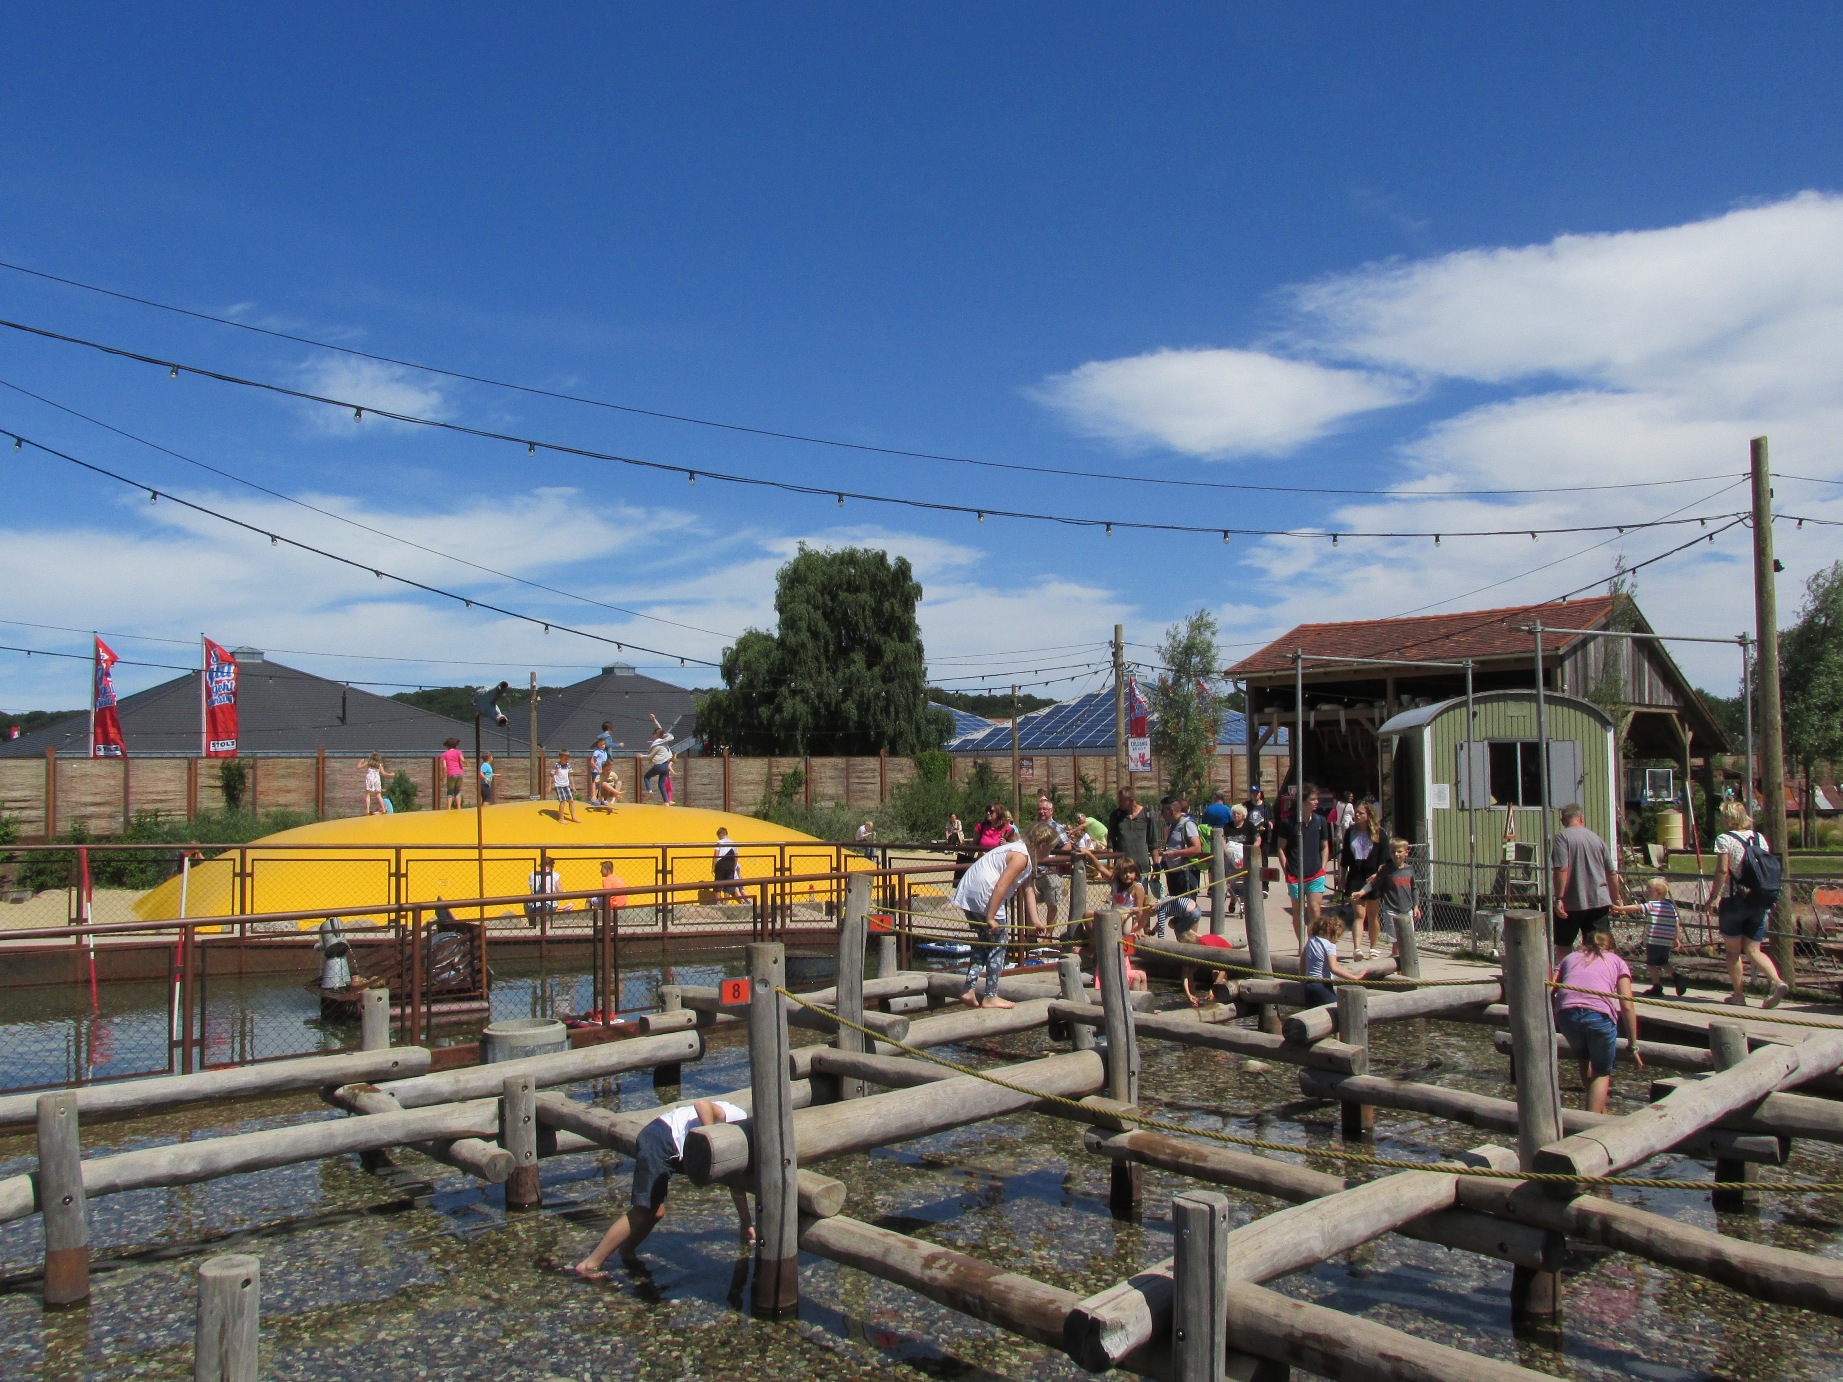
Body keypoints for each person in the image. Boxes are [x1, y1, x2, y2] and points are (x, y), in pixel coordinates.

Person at [570, 1099, 753, 1278]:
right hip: (660, 1138)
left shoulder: (739, 1139)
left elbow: (734, 1181)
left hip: (662, 1137)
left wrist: (746, 1222)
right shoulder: (736, 1116)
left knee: (657, 1212)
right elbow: (702, 1105)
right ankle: (590, 1264)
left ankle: (626, 1251)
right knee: (644, 1210)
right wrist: (709, 1141)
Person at [952, 826, 1055, 1009]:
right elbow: (1001, 885)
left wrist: (1036, 921)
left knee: (985, 941)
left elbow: (1028, 889)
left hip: (970, 891)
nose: (1050, 852)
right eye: (1050, 848)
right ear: (1042, 846)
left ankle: (968, 989)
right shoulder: (1021, 856)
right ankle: (990, 995)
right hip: (985, 894)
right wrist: (991, 917)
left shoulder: (1022, 852)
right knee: (1000, 943)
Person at [1709, 800, 1789, 1007]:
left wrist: (1714, 897)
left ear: (1727, 818)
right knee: (1754, 950)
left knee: (1733, 951)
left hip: (1734, 898)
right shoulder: (1760, 838)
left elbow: (1722, 870)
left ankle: (1738, 994)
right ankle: (1777, 981)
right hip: (1757, 899)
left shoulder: (1724, 839)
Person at [1554, 927, 1642, 1113]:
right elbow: (1627, 1005)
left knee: (1584, 1058)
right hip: (1598, 1016)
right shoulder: (1617, 961)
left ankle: (1601, 1110)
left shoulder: (1569, 958)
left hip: (1567, 1014)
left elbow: (1550, 987)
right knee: (1602, 1071)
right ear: (1612, 948)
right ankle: (1592, 1122)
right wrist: (1633, 1046)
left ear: (1585, 945)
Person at [1550, 804, 1622, 968]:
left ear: (1563, 820)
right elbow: (1611, 873)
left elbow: (1561, 869)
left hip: (1571, 902)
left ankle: (1568, 974)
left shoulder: (1562, 837)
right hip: (1599, 901)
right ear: (1581, 818)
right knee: (1599, 945)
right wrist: (1615, 898)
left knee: (1564, 943)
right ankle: (1599, 974)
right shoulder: (1597, 839)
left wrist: (1559, 898)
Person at [1614, 876, 1687, 998]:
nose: (1646, 891)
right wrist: (1676, 938)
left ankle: (1657, 986)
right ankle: (1677, 977)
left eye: (1650, 889)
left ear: (1659, 893)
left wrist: (1620, 908)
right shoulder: (1670, 907)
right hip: (1666, 940)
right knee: (1663, 961)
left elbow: (1637, 907)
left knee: (1651, 963)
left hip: (1654, 939)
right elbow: (1676, 923)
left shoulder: (1652, 905)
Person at [1351, 837, 1419, 964]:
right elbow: (1373, 884)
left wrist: (1416, 906)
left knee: (1407, 935)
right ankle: (1397, 955)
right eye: (1393, 852)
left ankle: (1402, 958)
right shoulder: (1386, 870)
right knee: (1394, 936)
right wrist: (1361, 892)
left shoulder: (1409, 869)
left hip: (1407, 909)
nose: (1396, 854)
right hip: (1391, 908)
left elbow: (1414, 888)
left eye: (1399, 851)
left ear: (1406, 852)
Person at [1279, 784, 1333, 941]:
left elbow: (1325, 846)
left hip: (1315, 873)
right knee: (1297, 912)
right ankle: (1301, 944)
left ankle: (1314, 943)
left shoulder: (1320, 821)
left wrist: (1323, 868)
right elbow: (1281, 848)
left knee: (1315, 909)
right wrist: (1286, 870)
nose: (1317, 802)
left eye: (1317, 799)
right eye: (1313, 799)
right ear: (1302, 801)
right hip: (1295, 873)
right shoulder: (1288, 822)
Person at [1167, 903, 1235, 1006]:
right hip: (1205, 954)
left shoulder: (1208, 947)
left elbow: (1223, 967)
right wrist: (1188, 995)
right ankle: (1194, 999)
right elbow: (1185, 976)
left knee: (1216, 973)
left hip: (1225, 953)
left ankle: (1222, 1000)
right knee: (1190, 971)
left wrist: (1214, 989)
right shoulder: (1188, 950)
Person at [1340, 803, 1385, 957]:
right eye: (1356, 813)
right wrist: (1342, 878)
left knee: (1373, 914)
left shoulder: (1379, 833)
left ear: (1368, 815)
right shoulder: (1350, 832)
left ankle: (1373, 947)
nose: (1357, 815)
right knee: (1359, 914)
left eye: (1361, 813)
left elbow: (1384, 859)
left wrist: (1378, 875)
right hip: (1355, 876)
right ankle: (1357, 949)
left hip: (1372, 877)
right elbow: (1345, 858)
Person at [1301, 912, 1365, 1008]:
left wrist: (1302, 980)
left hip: (1309, 985)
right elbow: (1334, 968)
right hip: (1322, 985)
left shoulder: (1311, 940)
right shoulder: (1329, 945)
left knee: (1312, 1011)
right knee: (1337, 1009)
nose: (1337, 940)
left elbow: (1302, 963)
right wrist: (1354, 977)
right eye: (1338, 936)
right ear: (1332, 933)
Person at [1028, 794, 1070, 936]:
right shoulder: (1034, 827)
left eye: (1045, 809)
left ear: (1051, 811)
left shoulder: (1057, 828)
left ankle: (1048, 936)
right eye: (1039, 809)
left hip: (1050, 873)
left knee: (1052, 905)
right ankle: (1032, 935)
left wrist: (1054, 860)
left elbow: (1067, 847)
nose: (1042, 812)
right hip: (1035, 872)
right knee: (1031, 904)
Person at [1108, 788, 1161, 897]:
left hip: (1141, 867)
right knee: (1121, 899)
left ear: (1131, 800)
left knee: (1141, 899)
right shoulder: (1116, 815)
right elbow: (1111, 842)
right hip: (1122, 868)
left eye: (1122, 801)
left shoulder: (1147, 815)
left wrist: (1156, 866)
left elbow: (1153, 843)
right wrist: (1110, 864)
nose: (1119, 803)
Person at [1157, 796, 1204, 905]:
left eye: (1163, 811)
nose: (1161, 814)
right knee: (1177, 908)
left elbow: (1197, 848)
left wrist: (1175, 853)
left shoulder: (1187, 825)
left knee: (1187, 908)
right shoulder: (1173, 825)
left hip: (1186, 874)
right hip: (1174, 874)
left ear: (1171, 811)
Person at [644, 715, 675, 804]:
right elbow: (661, 731)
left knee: (646, 777)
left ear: (656, 734)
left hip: (659, 766)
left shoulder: (656, 743)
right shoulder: (664, 741)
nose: (652, 735)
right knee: (661, 784)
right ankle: (666, 802)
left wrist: (641, 756)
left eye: (653, 733)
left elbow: (649, 756)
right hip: (666, 766)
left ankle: (649, 791)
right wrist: (655, 720)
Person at [526, 857, 560, 928]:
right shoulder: (555, 875)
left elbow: (532, 889)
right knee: (553, 901)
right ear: (551, 865)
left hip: (534, 904)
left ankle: (532, 923)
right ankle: (548, 921)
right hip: (550, 904)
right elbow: (560, 891)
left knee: (526, 902)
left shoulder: (532, 874)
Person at [713, 827, 744, 899]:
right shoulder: (733, 843)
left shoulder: (719, 842)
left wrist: (713, 866)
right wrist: (734, 866)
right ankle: (726, 902)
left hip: (720, 864)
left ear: (720, 834)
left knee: (718, 884)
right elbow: (736, 856)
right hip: (730, 864)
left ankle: (718, 902)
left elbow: (716, 855)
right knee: (728, 885)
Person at [553, 750, 578, 823]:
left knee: (571, 801)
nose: (567, 760)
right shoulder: (556, 765)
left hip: (566, 785)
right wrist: (549, 786)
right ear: (560, 757)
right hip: (559, 785)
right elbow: (551, 775)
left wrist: (573, 786)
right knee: (563, 801)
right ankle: (561, 818)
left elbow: (571, 775)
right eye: (565, 759)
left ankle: (573, 817)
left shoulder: (568, 765)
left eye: (568, 759)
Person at [440, 738, 465, 809]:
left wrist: (443, 777)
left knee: (450, 791)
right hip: (460, 773)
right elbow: (462, 760)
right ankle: (459, 807)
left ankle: (448, 809)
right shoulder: (458, 752)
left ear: (447, 746)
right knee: (457, 791)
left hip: (451, 773)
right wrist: (466, 763)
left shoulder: (444, 754)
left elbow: (444, 767)